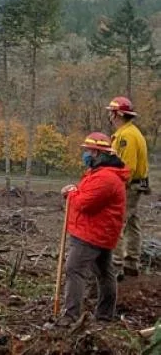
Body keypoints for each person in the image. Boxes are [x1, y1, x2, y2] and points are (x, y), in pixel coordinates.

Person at [58, 132, 129, 324]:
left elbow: (84, 203)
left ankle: (70, 316)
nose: (86, 154)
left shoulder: (106, 178)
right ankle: (105, 315)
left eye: (88, 151)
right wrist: (75, 191)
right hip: (99, 231)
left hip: (91, 234)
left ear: (97, 153)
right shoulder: (99, 173)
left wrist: (71, 194)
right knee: (104, 272)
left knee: (74, 270)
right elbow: (85, 194)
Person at [108, 96, 149, 278]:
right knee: (132, 222)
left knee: (117, 221)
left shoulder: (126, 136)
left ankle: (115, 266)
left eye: (111, 112)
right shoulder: (131, 132)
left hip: (128, 186)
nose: (109, 115)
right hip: (135, 185)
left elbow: (127, 167)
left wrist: (115, 187)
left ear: (117, 114)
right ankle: (131, 262)